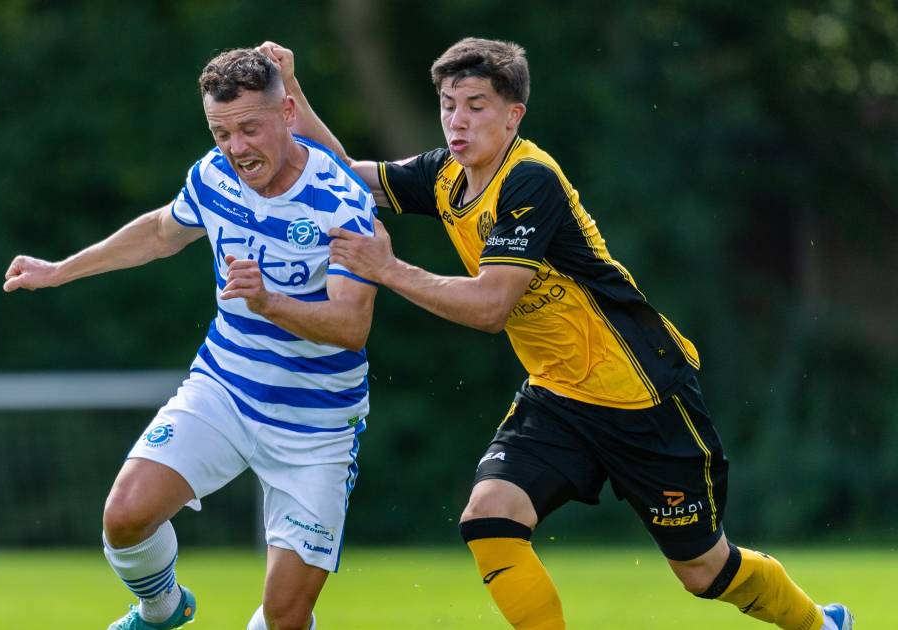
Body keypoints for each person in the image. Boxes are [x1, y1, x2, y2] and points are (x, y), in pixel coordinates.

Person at [260, 38, 854, 630]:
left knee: (704, 571)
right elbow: (340, 177)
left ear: (513, 115)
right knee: (489, 519)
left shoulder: (529, 180)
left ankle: (820, 625)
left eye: (475, 106)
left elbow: (491, 306)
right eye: (447, 105)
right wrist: (290, 94)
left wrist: (389, 270)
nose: (457, 121)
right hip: (559, 396)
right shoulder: (445, 174)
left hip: (640, 393)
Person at [4, 48, 378, 630]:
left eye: (249, 128)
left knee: (285, 616)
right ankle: (161, 610)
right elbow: (160, 233)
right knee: (125, 516)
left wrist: (268, 302)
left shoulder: (342, 201)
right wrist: (60, 270)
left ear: (287, 113)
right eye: (221, 133)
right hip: (225, 389)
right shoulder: (213, 176)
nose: (236, 148)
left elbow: (351, 326)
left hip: (316, 422)